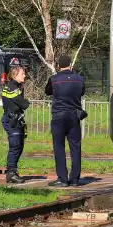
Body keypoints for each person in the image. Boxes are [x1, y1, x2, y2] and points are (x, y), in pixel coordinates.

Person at [46, 53, 85, 187]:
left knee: (59, 146)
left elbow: (48, 91)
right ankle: (74, 179)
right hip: (74, 116)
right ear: (70, 65)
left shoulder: (54, 79)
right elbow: (82, 92)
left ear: (58, 66)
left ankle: (62, 178)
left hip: (58, 116)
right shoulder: (79, 79)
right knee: (75, 146)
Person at [0, 59, 30, 184]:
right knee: (15, 146)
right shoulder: (12, 88)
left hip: (15, 119)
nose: (24, 75)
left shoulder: (13, 87)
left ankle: (12, 171)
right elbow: (24, 104)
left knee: (19, 146)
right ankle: (11, 173)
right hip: (12, 119)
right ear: (15, 75)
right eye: (22, 74)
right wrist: (25, 102)